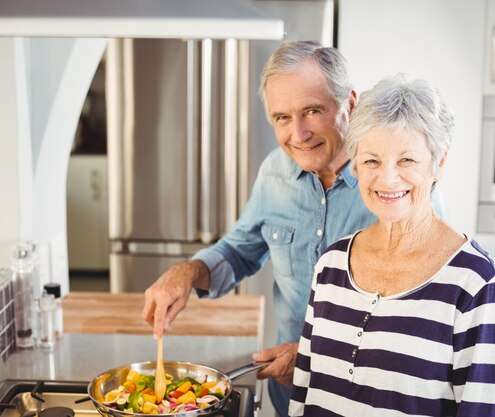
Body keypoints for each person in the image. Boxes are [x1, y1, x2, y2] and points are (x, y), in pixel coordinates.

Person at [141, 42, 448, 416]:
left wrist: (312, 355)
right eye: (281, 118)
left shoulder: (392, 188)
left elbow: (422, 320)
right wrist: (187, 273)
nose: (298, 133)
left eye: (312, 111)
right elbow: (240, 250)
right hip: (291, 396)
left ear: (349, 104)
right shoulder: (274, 173)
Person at [288, 74, 495, 417]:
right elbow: (303, 395)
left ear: (439, 163)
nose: (388, 179)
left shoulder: (474, 282)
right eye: (372, 161)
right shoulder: (331, 265)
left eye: (407, 160)